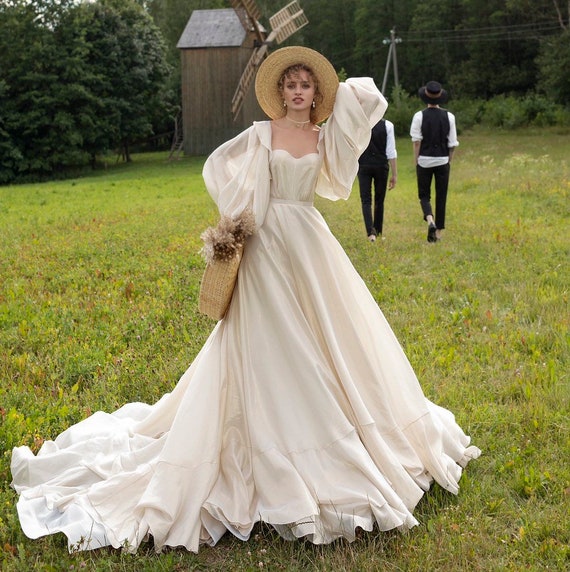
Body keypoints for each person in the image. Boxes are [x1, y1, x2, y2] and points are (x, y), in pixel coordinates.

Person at [11, 47, 479, 554]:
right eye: (290, 85)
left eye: (306, 85)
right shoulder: (261, 134)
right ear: (280, 93)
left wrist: (341, 94)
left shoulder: (324, 136)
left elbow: (365, 105)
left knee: (327, 336)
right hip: (266, 245)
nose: (297, 92)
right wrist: (236, 218)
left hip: (309, 244)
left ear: (316, 93)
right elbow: (218, 167)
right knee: (266, 337)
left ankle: (337, 427)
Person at [410, 80, 458, 242]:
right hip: (443, 160)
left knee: (424, 195)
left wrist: (416, 160)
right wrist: (449, 160)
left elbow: (417, 141)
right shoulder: (449, 117)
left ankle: (430, 220)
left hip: (424, 160)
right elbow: (452, 143)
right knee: (441, 195)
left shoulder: (419, 116)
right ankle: (438, 233)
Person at [357, 118, 397, 241]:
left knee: (366, 200)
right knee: (379, 200)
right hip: (381, 165)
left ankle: (371, 233)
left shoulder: (359, 124)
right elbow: (391, 151)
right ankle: (378, 232)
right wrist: (394, 174)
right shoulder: (388, 125)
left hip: (363, 165)